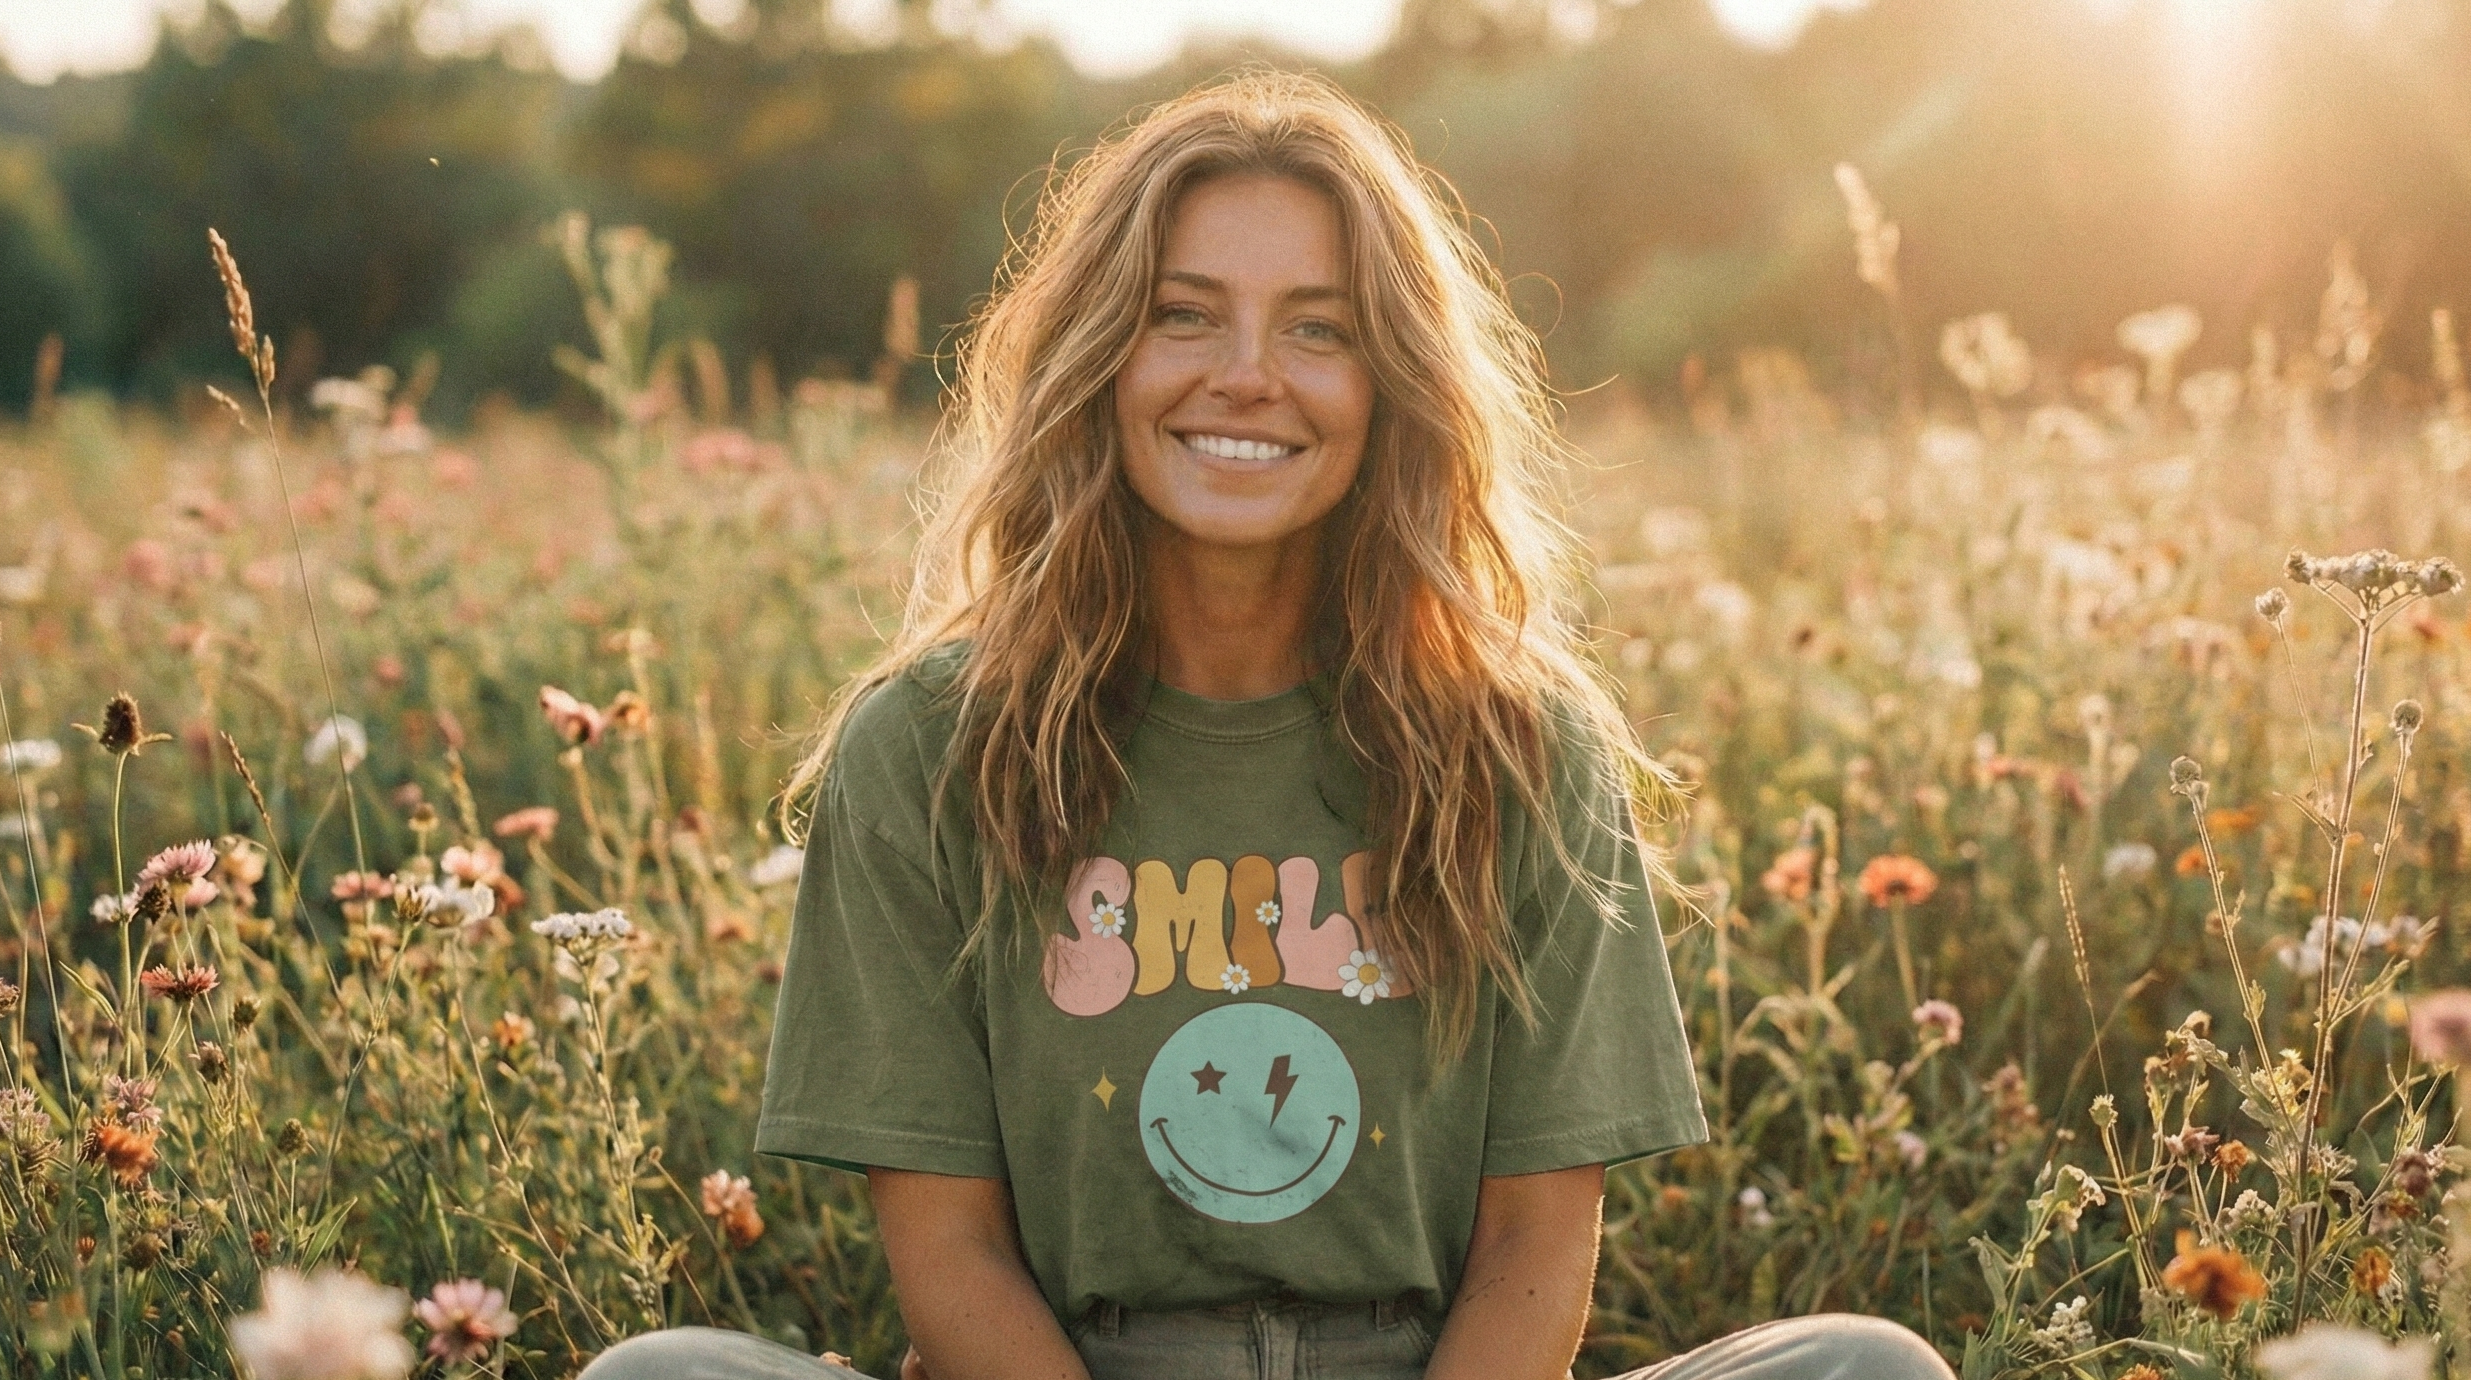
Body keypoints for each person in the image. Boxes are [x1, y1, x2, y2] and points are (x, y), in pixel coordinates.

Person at [584, 69, 1954, 1380]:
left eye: (1319, 327)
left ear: (1393, 383)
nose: (1247, 376)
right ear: (1097, 356)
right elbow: (946, 1249)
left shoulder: (1520, 744)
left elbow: (1538, 1241)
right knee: (661, 1374)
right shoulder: (930, 746)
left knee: (1864, 1367)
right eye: (1184, 315)